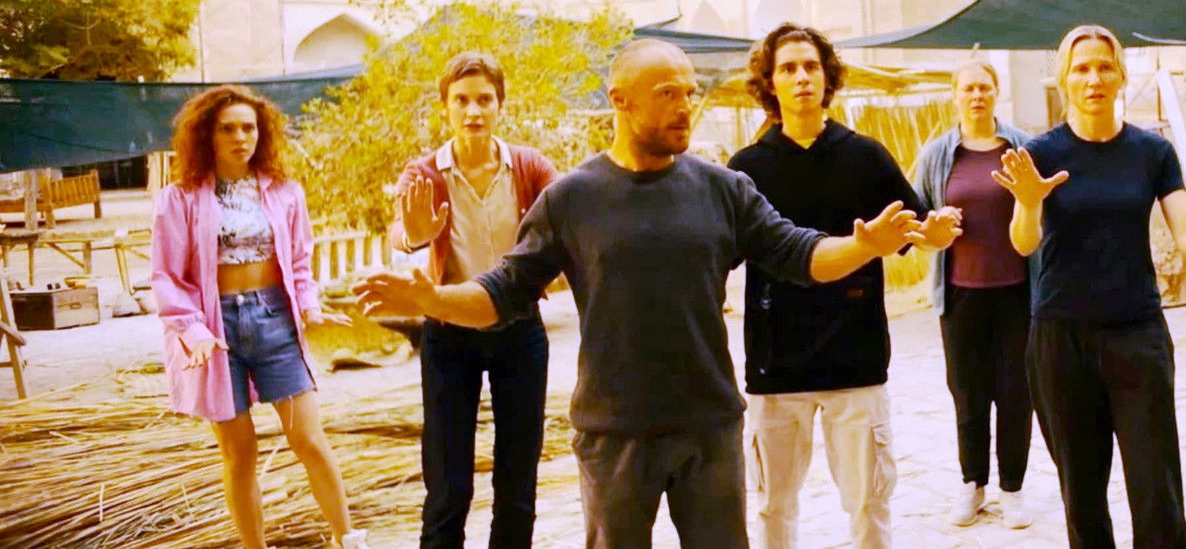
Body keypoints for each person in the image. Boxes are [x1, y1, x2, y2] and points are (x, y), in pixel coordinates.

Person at [354, 39, 961, 549]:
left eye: (690, 92)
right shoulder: (572, 198)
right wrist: (433, 300)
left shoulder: (724, 189)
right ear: (620, 100)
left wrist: (862, 247)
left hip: (710, 429)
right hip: (614, 435)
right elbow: (502, 292)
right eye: (669, 92)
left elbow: (800, 254)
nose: (685, 106)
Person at [994, 25, 1186, 549]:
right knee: (1082, 495)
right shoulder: (1040, 153)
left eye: (1104, 67)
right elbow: (1024, 242)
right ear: (1064, 80)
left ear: (1120, 76)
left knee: (1157, 489)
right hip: (1061, 340)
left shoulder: (1152, 152)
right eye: (1081, 68)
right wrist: (1027, 201)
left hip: (1138, 336)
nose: (1093, 78)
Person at [727, 23, 960, 549]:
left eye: (811, 66)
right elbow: (721, 254)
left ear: (827, 76)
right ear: (770, 82)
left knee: (869, 507)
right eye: (788, 68)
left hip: (855, 360)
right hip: (775, 365)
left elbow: (915, 228)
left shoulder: (865, 156)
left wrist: (937, 233)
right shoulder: (746, 169)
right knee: (771, 509)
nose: (801, 77)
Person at [151, 85, 372, 549]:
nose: (240, 137)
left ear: (262, 132)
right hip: (215, 330)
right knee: (240, 452)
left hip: (275, 321)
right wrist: (193, 330)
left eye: (248, 128)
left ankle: (348, 539)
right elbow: (167, 276)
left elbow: (300, 261)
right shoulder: (179, 198)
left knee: (308, 438)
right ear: (207, 135)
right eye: (227, 128)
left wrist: (310, 307)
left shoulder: (285, 192)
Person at [386, 52, 558, 549]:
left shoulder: (529, 166)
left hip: (519, 327)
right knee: (447, 481)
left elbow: (565, 222)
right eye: (461, 100)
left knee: (518, 478)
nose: (473, 111)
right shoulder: (424, 172)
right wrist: (415, 235)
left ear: (501, 105)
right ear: (445, 107)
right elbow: (401, 232)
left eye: (484, 99)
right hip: (449, 332)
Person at [915, 60, 1036, 529]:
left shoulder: (1021, 146)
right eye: (968, 89)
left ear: (996, 92)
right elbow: (918, 220)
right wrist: (933, 228)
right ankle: (973, 484)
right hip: (960, 295)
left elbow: (1040, 209)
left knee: (1015, 392)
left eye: (984, 88)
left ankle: (1013, 488)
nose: (977, 96)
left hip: (1017, 292)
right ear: (955, 95)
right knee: (967, 392)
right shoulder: (937, 155)